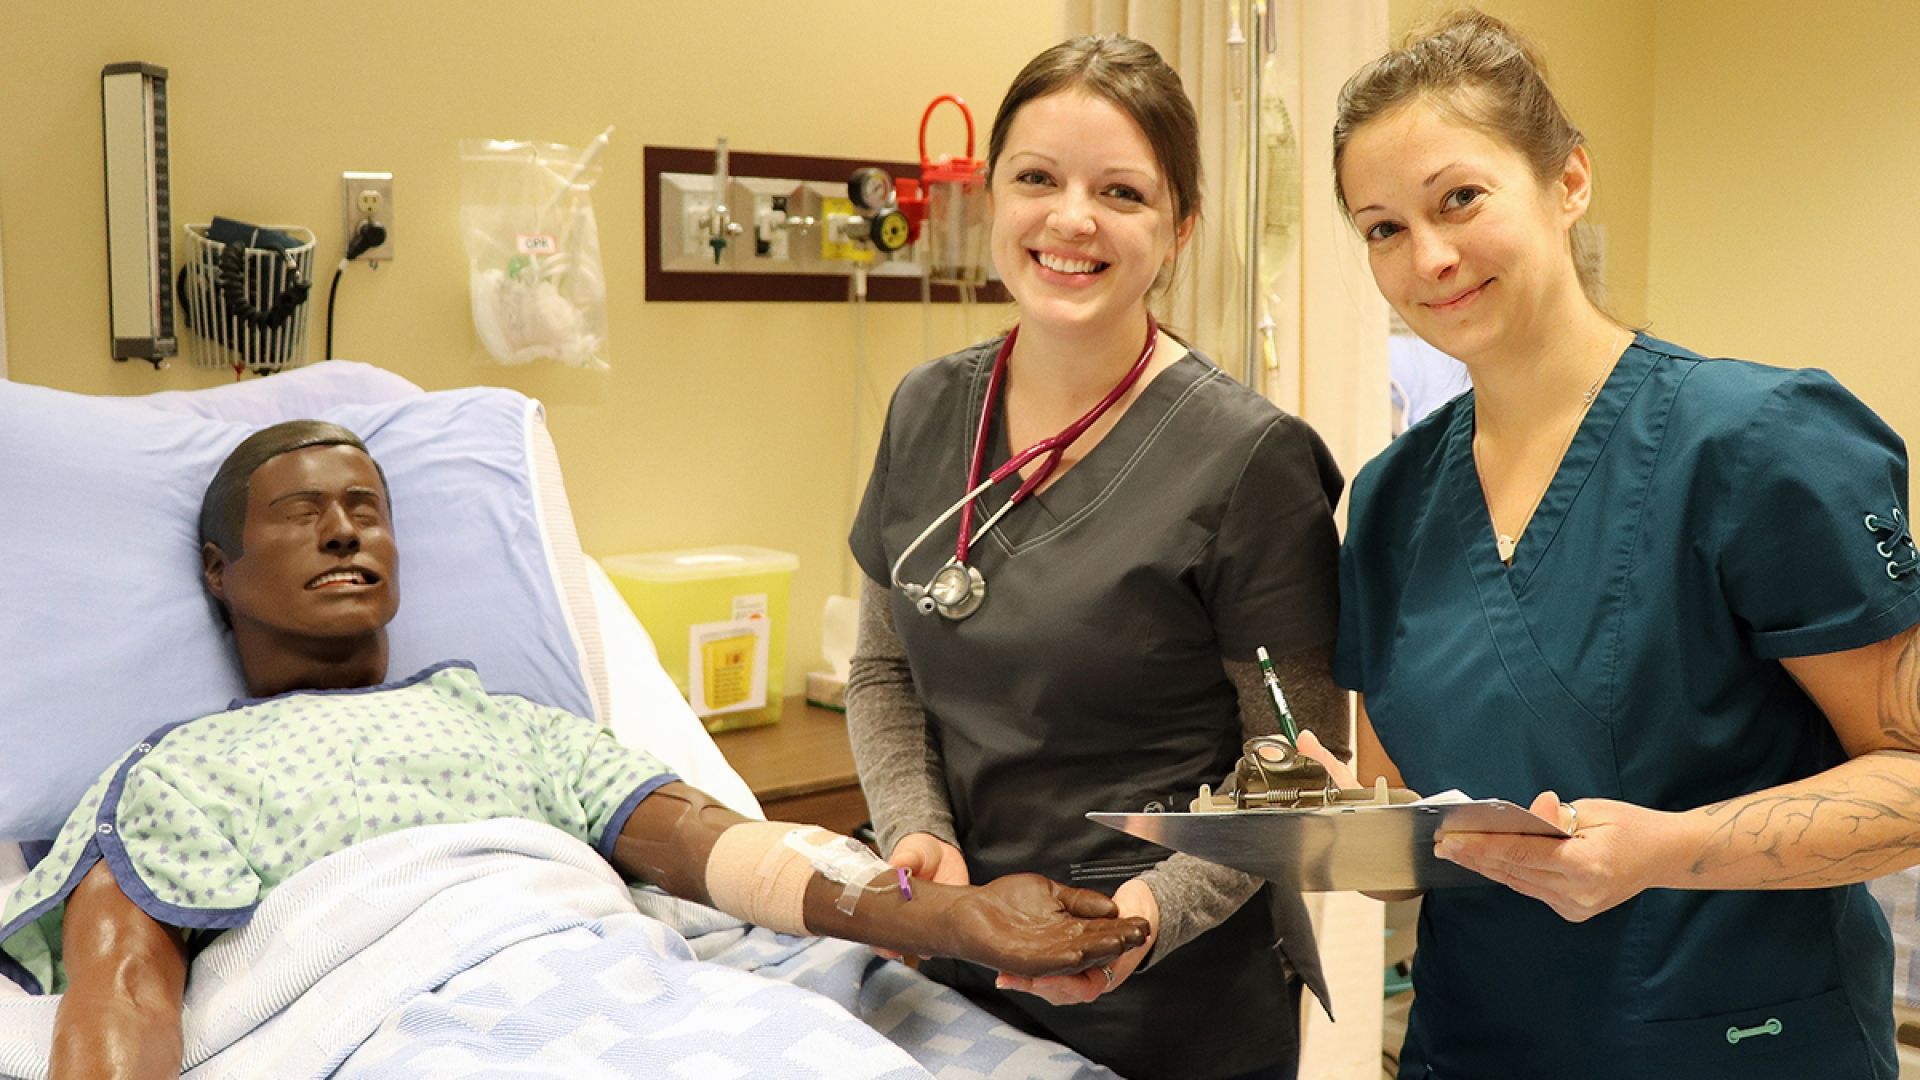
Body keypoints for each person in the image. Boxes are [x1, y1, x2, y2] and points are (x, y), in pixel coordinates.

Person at [0, 420, 1150, 1080]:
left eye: (367, 504)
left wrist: (953, 918)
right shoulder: (177, 773)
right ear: (218, 570)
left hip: (619, 979)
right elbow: (125, 989)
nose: (346, 527)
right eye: (299, 511)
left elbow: (730, 856)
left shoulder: (500, 721)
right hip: (406, 1020)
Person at [1300, 9, 1920, 1078]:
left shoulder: (1758, 444)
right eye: (1382, 227)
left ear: (1568, 180)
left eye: (1460, 198)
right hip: (1473, 1044)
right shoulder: (1393, 500)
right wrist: (1345, 828)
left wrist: (1668, 851)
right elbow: (1415, 836)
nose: (1429, 257)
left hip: (1735, 1047)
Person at [847, 34, 1346, 1080]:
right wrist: (915, 842)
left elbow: (1291, 764)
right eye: (1037, 178)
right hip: (950, 953)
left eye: (1121, 192)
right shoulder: (927, 408)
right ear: (995, 198)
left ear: (1179, 230)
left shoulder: (1249, 462)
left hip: (1169, 995)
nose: (1071, 220)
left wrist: (1149, 915)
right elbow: (884, 668)